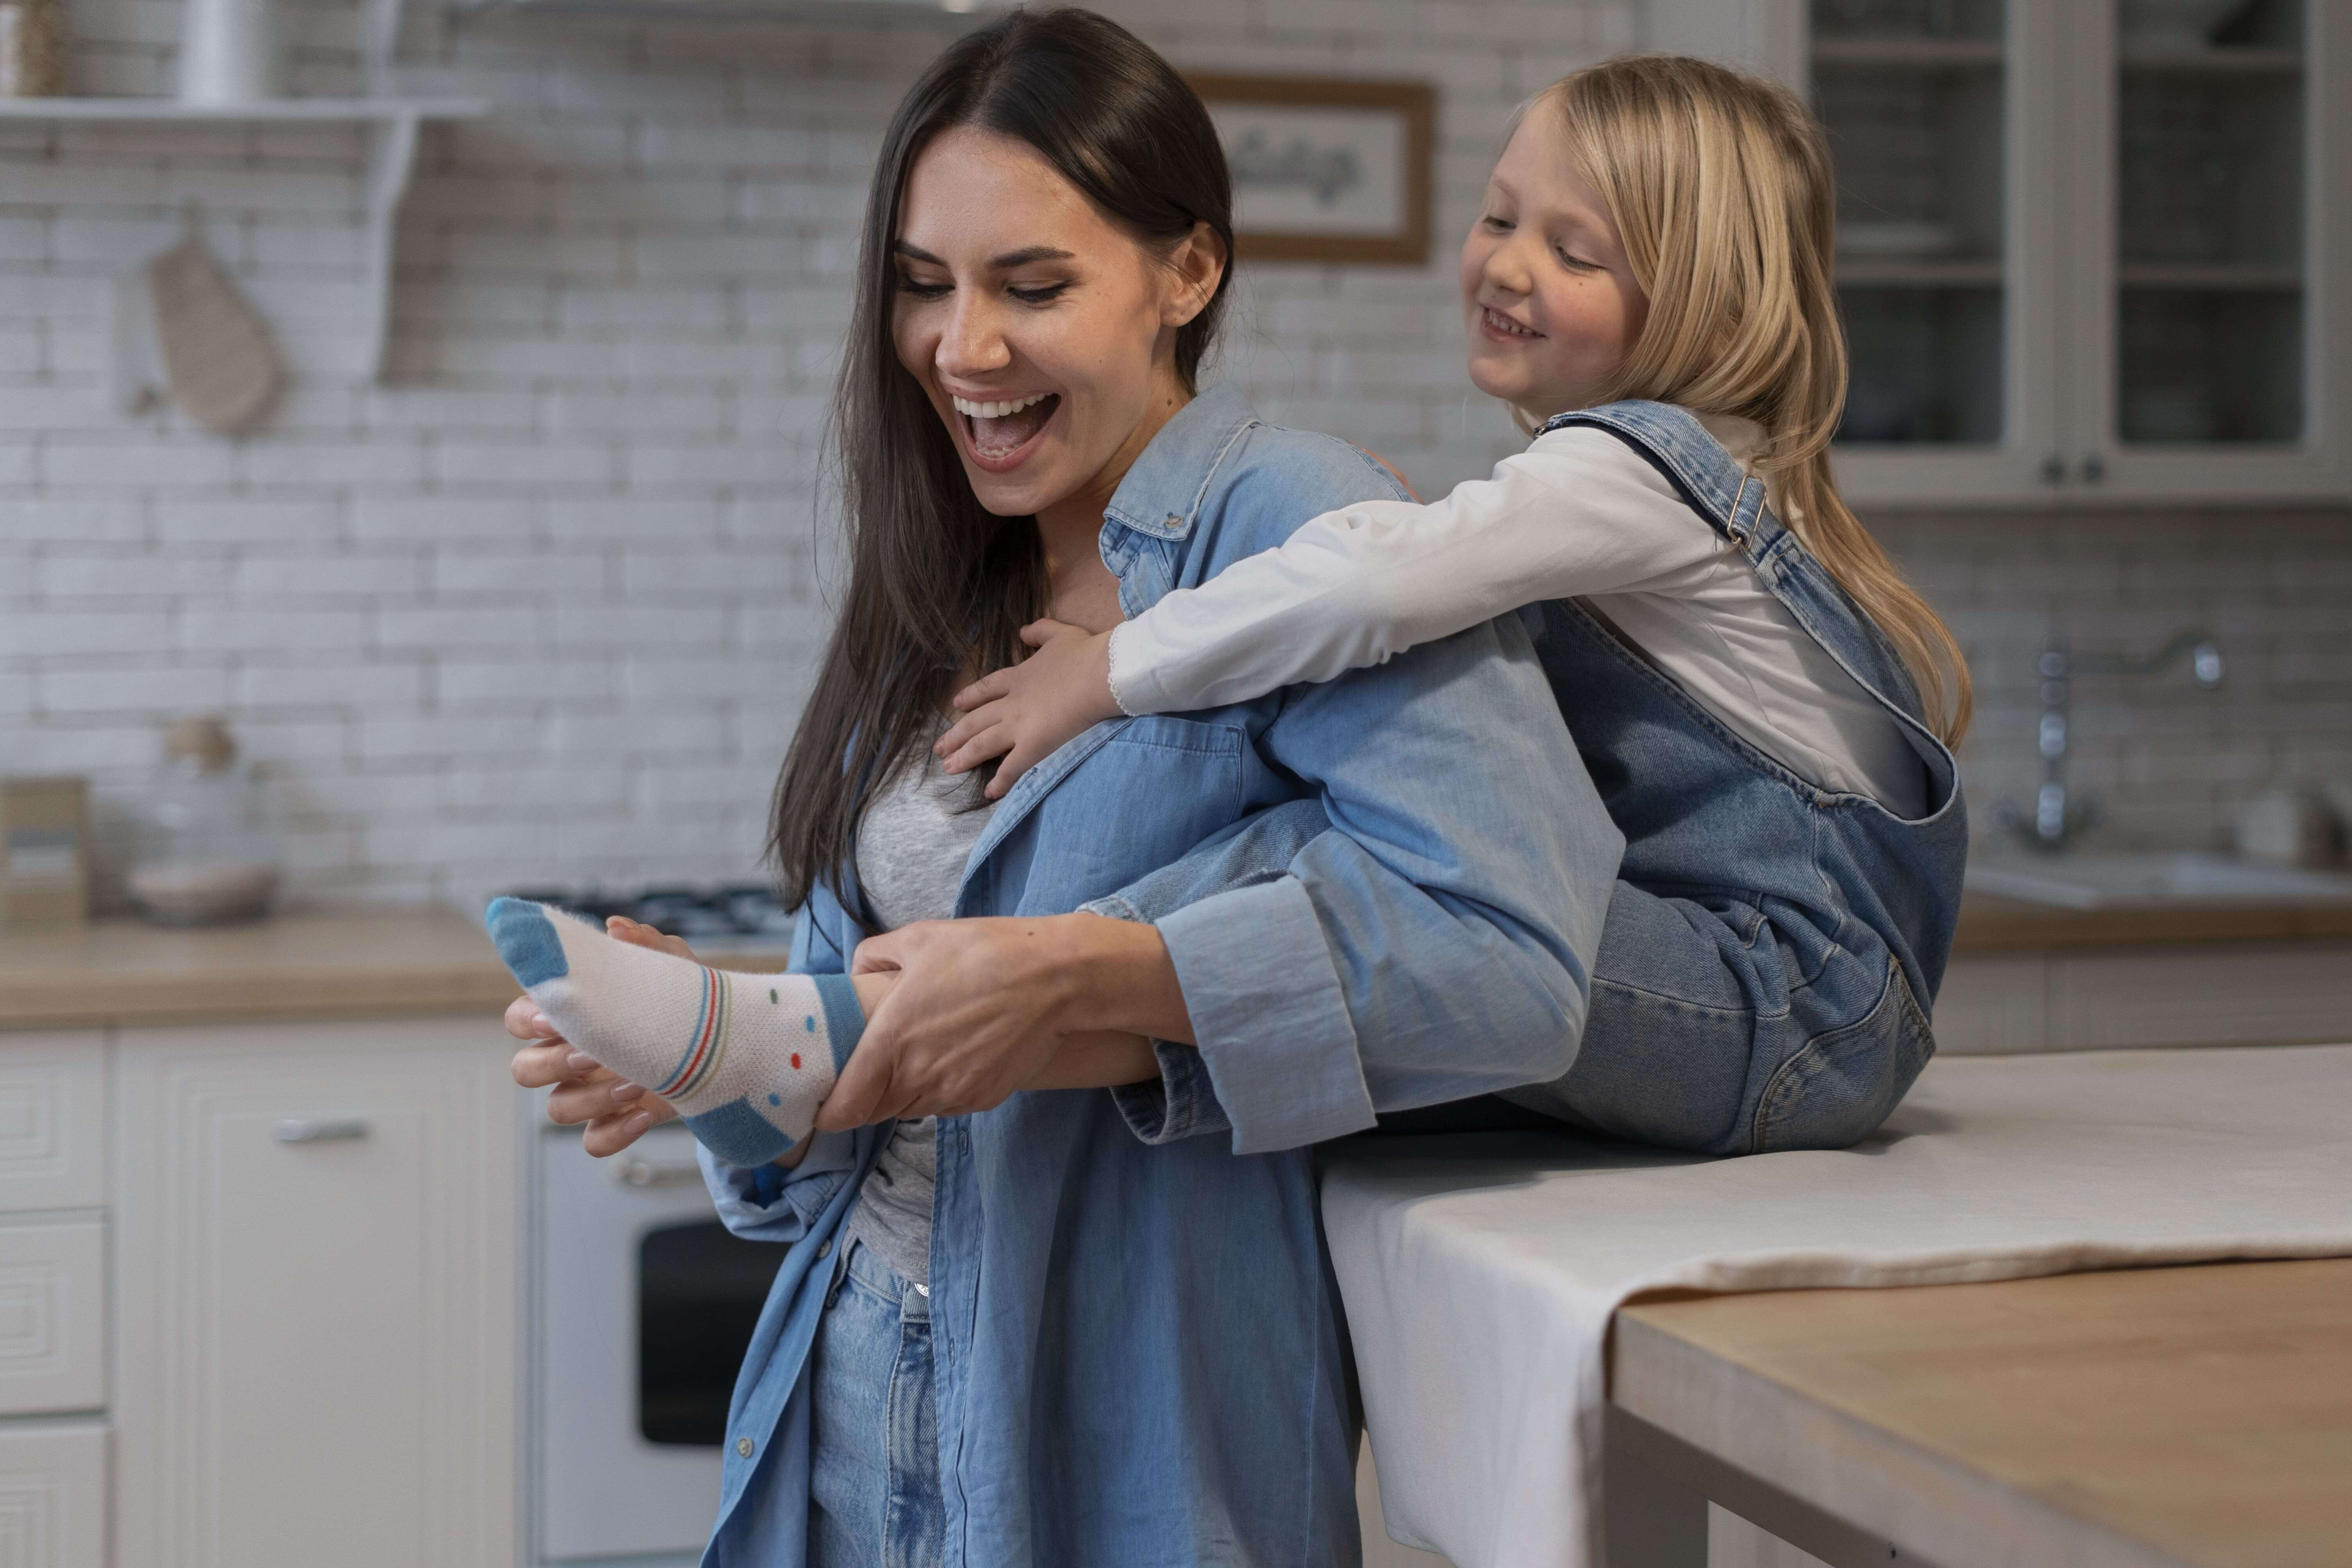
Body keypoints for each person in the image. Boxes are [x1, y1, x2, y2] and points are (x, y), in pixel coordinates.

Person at [505, 11, 1622, 1566]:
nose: (962, 348)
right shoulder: (951, 564)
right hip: (840, 1407)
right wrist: (721, 1049)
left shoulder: (1294, 522)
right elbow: (853, 1103)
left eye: (1032, 285)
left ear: (1189, 271)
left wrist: (1085, 977)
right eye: (923, 284)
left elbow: (1512, 948)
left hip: (1128, 1451)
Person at [922, 52, 1974, 1157]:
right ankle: (1022, 1026)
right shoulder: (1668, 482)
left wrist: (1106, 670)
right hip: (1793, 1015)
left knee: (1326, 856)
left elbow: (1371, 584)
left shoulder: (1642, 467)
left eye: (1574, 252)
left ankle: (1016, 988)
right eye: (1499, 217)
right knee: (1372, 994)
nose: (1508, 267)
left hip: (1784, 1005)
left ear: (1704, 302)